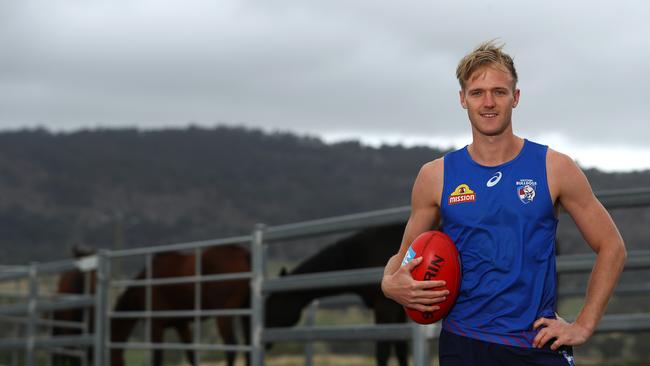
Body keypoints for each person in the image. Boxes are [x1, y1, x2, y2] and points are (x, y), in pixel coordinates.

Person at [381, 41, 627, 365]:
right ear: (462, 100)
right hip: (463, 343)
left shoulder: (554, 168)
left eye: (499, 91)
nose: (488, 103)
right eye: (477, 92)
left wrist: (583, 325)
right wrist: (389, 284)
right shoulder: (435, 176)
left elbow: (612, 246)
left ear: (516, 97)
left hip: (536, 344)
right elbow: (403, 259)